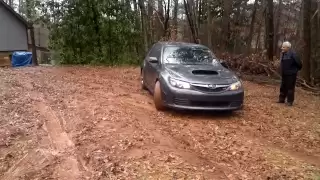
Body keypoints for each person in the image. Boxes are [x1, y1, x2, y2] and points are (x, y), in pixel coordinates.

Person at [278, 41, 302, 106]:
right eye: (282, 47)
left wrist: (294, 70)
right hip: (284, 73)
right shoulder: (283, 54)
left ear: (288, 48)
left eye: (283, 47)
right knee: (283, 87)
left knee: (290, 88)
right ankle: (281, 99)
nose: (282, 48)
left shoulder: (293, 54)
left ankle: (290, 101)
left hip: (291, 74)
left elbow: (299, 64)